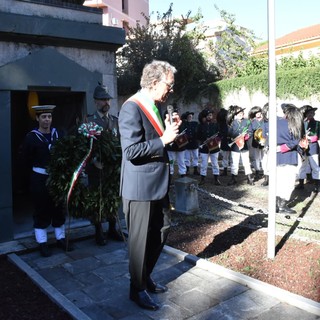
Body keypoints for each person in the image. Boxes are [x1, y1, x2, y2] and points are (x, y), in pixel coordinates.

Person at [118, 60, 181, 311]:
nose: (171, 90)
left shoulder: (155, 106)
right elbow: (131, 151)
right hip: (139, 187)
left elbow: (161, 142)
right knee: (139, 242)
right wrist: (163, 140)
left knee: (162, 230)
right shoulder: (132, 108)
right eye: (169, 85)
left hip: (157, 184)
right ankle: (137, 289)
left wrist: (171, 133)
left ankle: (144, 277)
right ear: (154, 83)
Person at [21, 105, 73, 257]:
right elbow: (25, 159)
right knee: (42, 209)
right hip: (40, 178)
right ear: (37, 118)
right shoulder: (31, 137)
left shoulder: (59, 134)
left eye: (49, 117)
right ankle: (42, 242)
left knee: (58, 207)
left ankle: (60, 239)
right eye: (43, 117)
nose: (47, 120)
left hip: (57, 177)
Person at [86, 84, 123, 245]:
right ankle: (98, 231)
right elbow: (84, 145)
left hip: (112, 169)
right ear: (96, 102)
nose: (106, 102)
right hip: (96, 169)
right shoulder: (89, 120)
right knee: (97, 199)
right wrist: (94, 161)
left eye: (107, 99)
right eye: (102, 99)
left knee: (113, 198)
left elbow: (120, 143)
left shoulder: (115, 121)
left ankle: (112, 228)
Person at [276, 103, 304, 214]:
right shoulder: (294, 124)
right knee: (288, 183)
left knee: (278, 182)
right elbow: (295, 141)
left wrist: (277, 148)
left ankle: (276, 206)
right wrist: (283, 147)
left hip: (276, 156)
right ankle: (281, 206)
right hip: (289, 156)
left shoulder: (275, 122)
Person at [227, 105, 254, 186]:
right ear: (235, 114)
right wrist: (233, 138)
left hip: (244, 146)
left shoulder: (247, 122)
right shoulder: (232, 123)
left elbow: (250, 132)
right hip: (235, 146)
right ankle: (233, 178)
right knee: (234, 162)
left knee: (246, 162)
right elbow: (229, 133)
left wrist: (245, 137)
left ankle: (249, 178)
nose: (240, 114)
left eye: (241, 112)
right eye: (238, 113)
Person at [296, 105, 320, 192]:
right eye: (309, 113)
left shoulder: (318, 123)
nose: (311, 114)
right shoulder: (302, 123)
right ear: (306, 114)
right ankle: (301, 183)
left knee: (315, 166)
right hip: (303, 147)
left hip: (313, 147)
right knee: (302, 166)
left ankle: (317, 185)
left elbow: (318, 136)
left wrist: (312, 138)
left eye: (312, 113)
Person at [197, 109, 221, 185]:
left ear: (212, 116)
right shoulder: (200, 125)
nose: (209, 117)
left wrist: (216, 139)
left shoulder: (215, 125)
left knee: (215, 163)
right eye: (208, 115)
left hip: (214, 147)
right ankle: (202, 178)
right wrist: (204, 140)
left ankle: (216, 179)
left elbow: (219, 135)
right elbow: (197, 135)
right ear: (205, 117)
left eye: (210, 115)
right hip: (204, 147)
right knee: (203, 163)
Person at [248, 106, 265, 181]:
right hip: (255, 141)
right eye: (256, 113)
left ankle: (266, 172)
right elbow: (250, 131)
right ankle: (257, 171)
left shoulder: (265, 120)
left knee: (264, 157)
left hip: (264, 140)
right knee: (256, 157)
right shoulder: (252, 122)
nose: (258, 114)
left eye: (259, 112)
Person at [183, 111, 200, 175]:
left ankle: (195, 169)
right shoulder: (184, 124)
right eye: (189, 116)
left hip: (194, 142)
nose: (190, 117)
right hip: (187, 143)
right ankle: (187, 169)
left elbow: (197, 132)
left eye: (191, 116)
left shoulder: (195, 123)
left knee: (195, 156)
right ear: (186, 117)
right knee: (187, 157)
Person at [216, 108, 231, 176]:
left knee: (230, 157)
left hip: (231, 141)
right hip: (225, 141)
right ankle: (225, 170)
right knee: (225, 157)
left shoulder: (230, 122)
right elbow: (220, 133)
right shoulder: (221, 124)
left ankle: (231, 171)